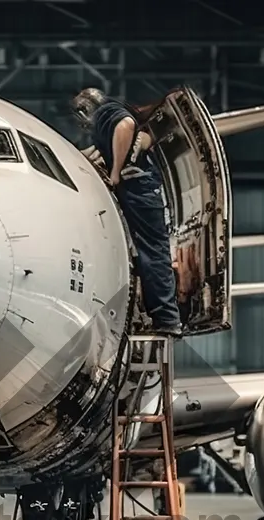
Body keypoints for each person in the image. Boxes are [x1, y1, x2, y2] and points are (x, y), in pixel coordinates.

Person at [72, 87, 183, 336]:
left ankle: (168, 319)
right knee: (148, 252)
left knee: (152, 252)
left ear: (84, 110)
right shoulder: (107, 118)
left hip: (139, 189)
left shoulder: (106, 113)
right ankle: (164, 317)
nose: (83, 126)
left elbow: (125, 124)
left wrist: (114, 174)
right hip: (141, 189)